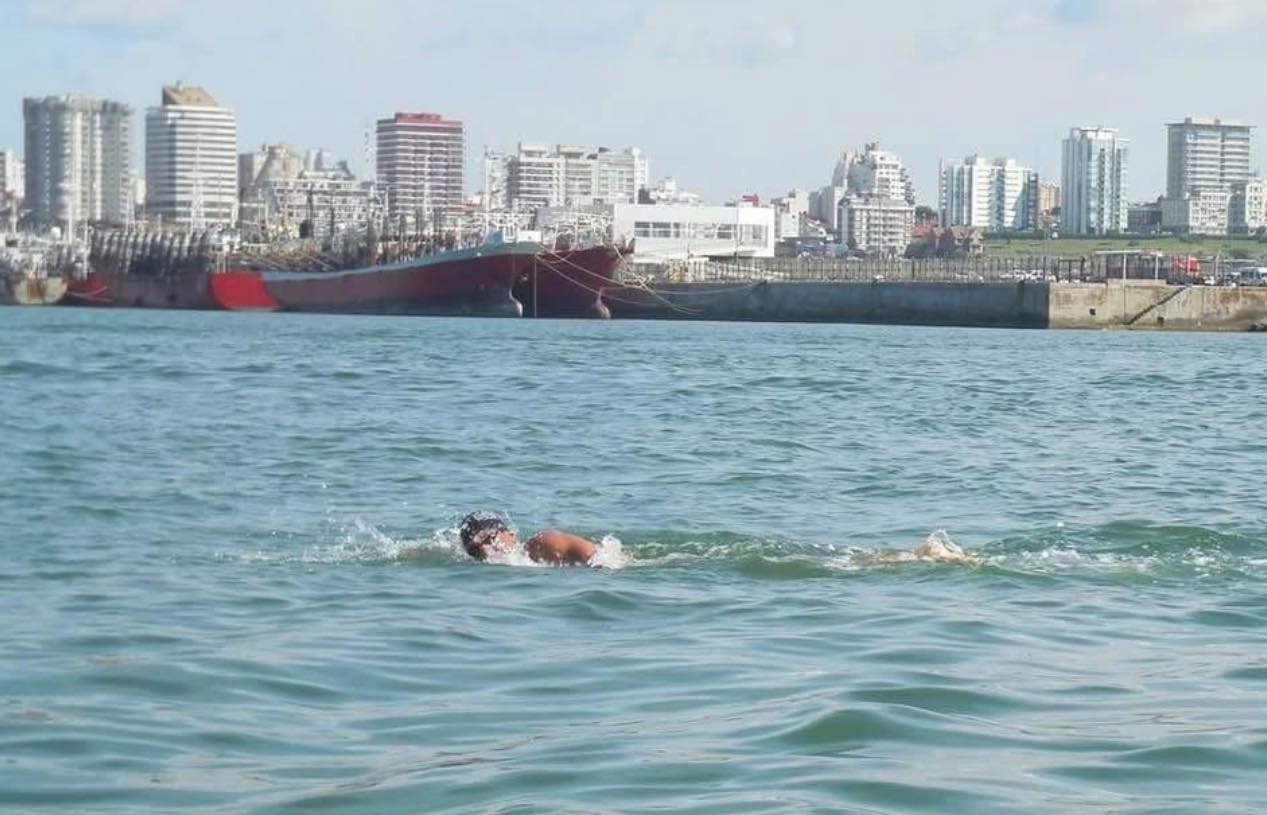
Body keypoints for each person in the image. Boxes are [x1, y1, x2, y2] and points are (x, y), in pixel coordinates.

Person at [459, 512, 598, 566]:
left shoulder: (544, 544)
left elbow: (602, 558)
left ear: (511, 534)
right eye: (474, 550)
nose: (485, 550)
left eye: (490, 540)